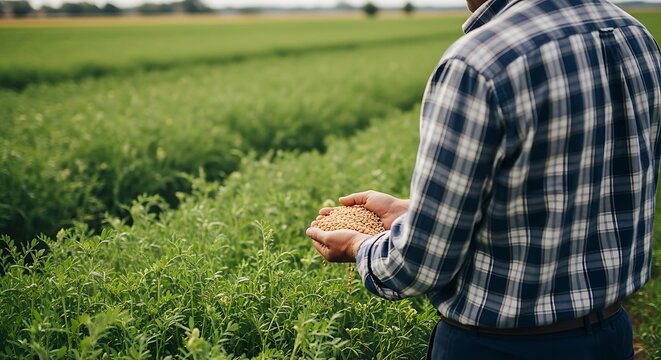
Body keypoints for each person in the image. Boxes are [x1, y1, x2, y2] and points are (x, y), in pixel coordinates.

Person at [306, 0, 661, 358]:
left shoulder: (480, 62)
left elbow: (419, 264)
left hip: (500, 346)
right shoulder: (633, 35)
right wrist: (413, 212)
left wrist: (357, 246)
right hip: (612, 335)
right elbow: (572, 191)